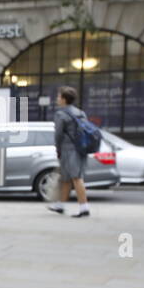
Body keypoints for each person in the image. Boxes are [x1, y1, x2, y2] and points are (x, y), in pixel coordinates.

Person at [48, 85, 90, 217]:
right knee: (66, 178)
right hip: (81, 149)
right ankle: (60, 205)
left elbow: (58, 135)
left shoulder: (61, 114)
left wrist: (58, 149)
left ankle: (84, 207)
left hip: (68, 150)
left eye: (59, 96)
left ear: (64, 99)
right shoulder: (81, 113)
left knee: (76, 178)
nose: (57, 99)